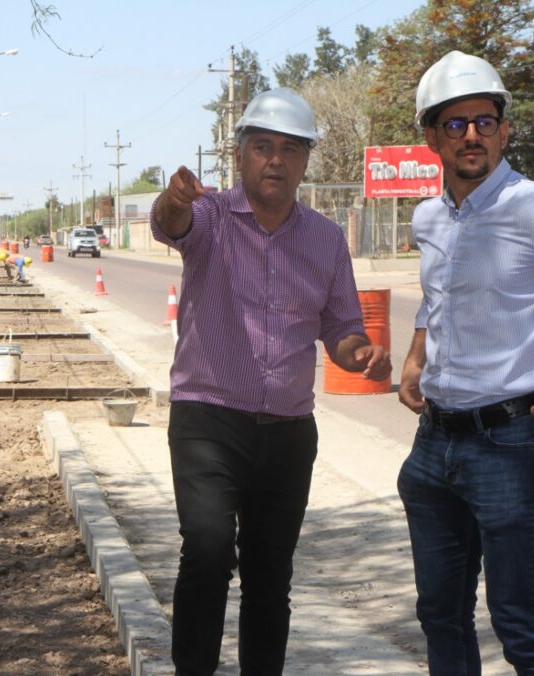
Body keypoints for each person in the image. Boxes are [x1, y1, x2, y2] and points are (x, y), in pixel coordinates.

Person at [150, 88, 392, 675]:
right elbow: (168, 224)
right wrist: (173, 198)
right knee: (207, 556)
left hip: (287, 432)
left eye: (290, 149)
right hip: (208, 420)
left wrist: (361, 352)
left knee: (269, 578)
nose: (276, 160)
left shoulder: (326, 239)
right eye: (262, 147)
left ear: (306, 160)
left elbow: (340, 326)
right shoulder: (208, 217)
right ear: (239, 156)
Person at [397, 50, 534, 675]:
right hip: (435, 444)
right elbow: (440, 293)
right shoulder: (430, 216)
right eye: (455, 123)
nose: (472, 135)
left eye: (485, 121)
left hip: (515, 445)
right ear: (431, 135)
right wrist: (416, 354)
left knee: (521, 626)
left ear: (505, 130)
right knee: (440, 616)